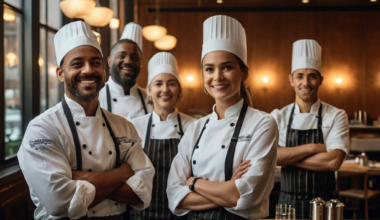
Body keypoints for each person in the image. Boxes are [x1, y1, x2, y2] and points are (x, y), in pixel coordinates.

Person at [17, 21, 155, 220]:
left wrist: (81, 179)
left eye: (96, 62)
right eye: (77, 63)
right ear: (61, 73)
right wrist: (122, 173)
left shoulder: (124, 126)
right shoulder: (42, 128)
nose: (88, 70)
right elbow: (59, 202)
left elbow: (143, 193)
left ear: (104, 70)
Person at [166, 15, 278, 220]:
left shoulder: (263, 123)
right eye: (209, 69)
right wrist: (227, 191)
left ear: (244, 73)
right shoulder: (195, 128)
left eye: (227, 67)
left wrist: (193, 183)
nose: (217, 77)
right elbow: (174, 194)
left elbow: (244, 195)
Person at [270, 39, 349, 219]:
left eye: (312, 76)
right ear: (291, 80)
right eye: (299, 76)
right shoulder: (277, 116)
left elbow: (333, 162)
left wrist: (285, 157)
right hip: (287, 204)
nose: (306, 82)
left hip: (326, 205)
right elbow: (271, 156)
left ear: (320, 79)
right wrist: (313, 148)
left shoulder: (336, 115)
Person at [130, 52, 196, 220]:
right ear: (150, 90)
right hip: (142, 212)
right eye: (158, 84)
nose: (165, 89)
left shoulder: (193, 126)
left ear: (179, 89)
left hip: (182, 211)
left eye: (171, 83)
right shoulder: (135, 126)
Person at [99, 22, 152, 121]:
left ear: (140, 64)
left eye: (135, 58)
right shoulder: (96, 97)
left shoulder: (149, 100)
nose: (128, 61)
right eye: (122, 56)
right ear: (109, 62)